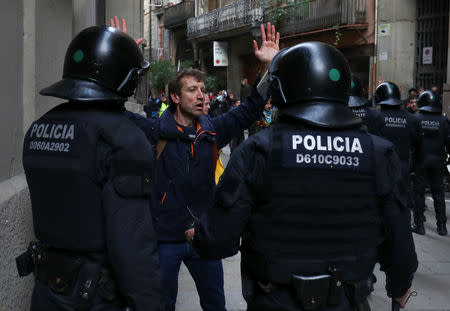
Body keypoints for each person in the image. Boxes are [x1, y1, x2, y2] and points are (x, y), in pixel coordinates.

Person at [190, 42, 417, 311]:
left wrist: (197, 234)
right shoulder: (379, 153)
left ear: (282, 89)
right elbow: (400, 244)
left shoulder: (259, 150)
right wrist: (399, 287)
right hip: (347, 300)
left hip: (274, 300)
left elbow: (218, 241)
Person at [128, 22, 280, 311]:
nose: (201, 95)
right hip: (165, 240)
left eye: (202, 90)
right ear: (175, 97)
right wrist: (126, 61)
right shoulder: (153, 131)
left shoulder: (213, 131)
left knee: (215, 305)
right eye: (192, 90)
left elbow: (252, 108)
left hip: (203, 239)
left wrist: (269, 68)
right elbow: (115, 113)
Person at [15, 26, 163, 311]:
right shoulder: (123, 139)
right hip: (94, 297)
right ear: (125, 80)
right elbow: (132, 245)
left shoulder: (40, 128)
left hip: (46, 292)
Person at [373, 81, 422, 211]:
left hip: (381, 166)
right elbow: (418, 143)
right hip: (402, 165)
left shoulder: (376, 117)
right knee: (402, 204)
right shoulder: (411, 119)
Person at [412, 90, 450, 235]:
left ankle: (419, 224)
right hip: (438, 160)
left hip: (421, 159)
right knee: (438, 193)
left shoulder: (417, 118)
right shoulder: (443, 121)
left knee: (419, 192)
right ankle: (442, 226)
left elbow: (413, 139)